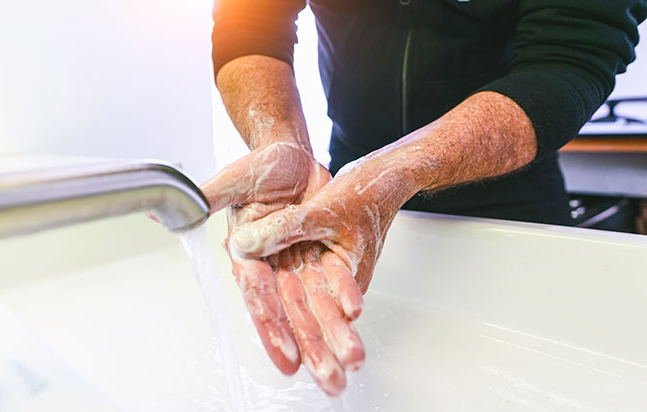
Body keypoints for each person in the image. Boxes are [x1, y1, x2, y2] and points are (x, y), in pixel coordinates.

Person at [201, 0, 647, 396]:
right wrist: (280, 139)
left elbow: (569, 58)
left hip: (508, 198)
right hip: (339, 198)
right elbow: (249, 20)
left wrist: (396, 170)